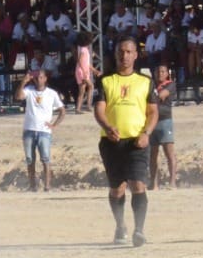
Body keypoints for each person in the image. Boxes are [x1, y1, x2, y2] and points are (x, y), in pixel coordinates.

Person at [93, 35, 157, 246]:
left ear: (136, 55)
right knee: (117, 188)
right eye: (121, 52)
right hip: (111, 142)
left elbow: (153, 112)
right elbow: (99, 109)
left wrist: (147, 133)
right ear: (115, 54)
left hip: (137, 142)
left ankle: (139, 230)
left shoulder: (146, 82)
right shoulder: (105, 81)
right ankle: (120, 225)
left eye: (129, 52)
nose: (124, 56)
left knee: (138, 184)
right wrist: (107, 127)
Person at [18, 68, 65, 193]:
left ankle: (47, 186)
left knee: (45, 158)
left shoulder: (52, 93)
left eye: (40, 77)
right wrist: (23, 82)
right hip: (29, 129)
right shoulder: (29, 90)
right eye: (36, 77)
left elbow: (62, 110)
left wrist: (54, 125)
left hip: (44, 131)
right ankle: (32, 186)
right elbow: (19, 96)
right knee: (30, 159)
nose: (38, 80)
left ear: (45, 79)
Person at [147, 64, 177, 191]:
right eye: (158, 71)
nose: (160, 74)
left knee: (169, 153)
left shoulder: (170, 85)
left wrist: (149, 98)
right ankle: (153, 183)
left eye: (163, 71)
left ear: (167, 73)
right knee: (152, 155)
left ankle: (172, 182)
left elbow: (161, 95)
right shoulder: (151, 85)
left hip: (164, 120)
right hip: (151, 122)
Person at [72, 33, 96, 112]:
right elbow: (80, 61)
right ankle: (88, 106)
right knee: (90, 86)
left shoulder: (83, 49)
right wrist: (84, 72)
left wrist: (94, 70)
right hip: (82, 72)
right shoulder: (83, 50)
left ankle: (79, 108)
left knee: (82, 90)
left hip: (82, 71)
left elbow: (86, 63)